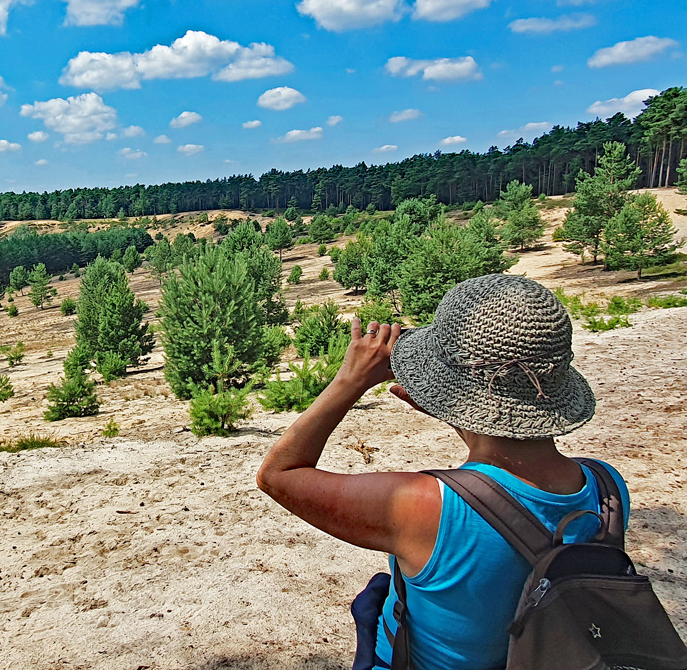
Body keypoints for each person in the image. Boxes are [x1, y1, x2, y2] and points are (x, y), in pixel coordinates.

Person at [256, 274, 629, 669]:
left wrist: (351, 380)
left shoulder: (424, 506)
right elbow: (505, 482)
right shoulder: (607, 487)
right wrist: (457, 408)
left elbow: (278, 474)